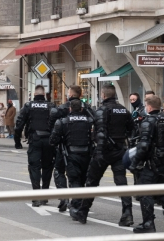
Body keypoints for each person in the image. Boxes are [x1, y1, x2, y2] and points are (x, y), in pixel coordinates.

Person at [70, 84, 134, 226]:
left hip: (104, 152)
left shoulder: (102, 110)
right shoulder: (124, 110)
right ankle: (127, 213)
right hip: (119, 150)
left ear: (104, 95)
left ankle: (83, 211)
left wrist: (99, 153)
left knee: (92, 182)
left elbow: (99, 133)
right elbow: (132, 129)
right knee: (122, 182)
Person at [129, 95, 164, 233]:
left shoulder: (149, 122)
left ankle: (148, 223)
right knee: (162, 193)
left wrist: (134, 163)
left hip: (153, 164)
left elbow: (144, 146)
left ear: (149, 107)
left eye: (146, 106)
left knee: (145, 192)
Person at [50, 85, 91, 212]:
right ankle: (77, 200)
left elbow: (52, 123)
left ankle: (65, 198)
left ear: (71, 95)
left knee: (59, 171)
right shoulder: (88, 110)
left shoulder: (62, 109)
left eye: (68, 93)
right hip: (85, 150)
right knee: (81, 176)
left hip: (65, 148)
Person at [14, 85, 56, 206]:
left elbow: (19, 125)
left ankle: (36, 196)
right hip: (49, 141)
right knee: (48, 167)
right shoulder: (51, 106)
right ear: (44, 95)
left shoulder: (28, 106)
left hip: (35, 140)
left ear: (33, 95)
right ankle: (44, 195)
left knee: (34, 167)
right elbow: (58, 124)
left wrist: (17, 142)